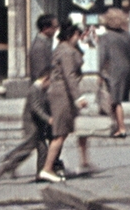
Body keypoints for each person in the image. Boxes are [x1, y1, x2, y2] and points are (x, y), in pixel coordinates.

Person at [39, 21, 93, 182]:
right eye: (77, 35)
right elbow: (69, 75)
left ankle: (81, 162)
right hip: (63, 95)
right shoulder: (67, 51)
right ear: (70, 35)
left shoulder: (63, 48)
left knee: (66, 131)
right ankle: (47, 169)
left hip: (61, 94)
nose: (79, 38)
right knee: (60, 133)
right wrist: (79, 97)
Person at [0, 71, 53, 181]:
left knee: (43, 149)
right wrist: (48, 119)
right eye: (50, 81)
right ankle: (7, 165)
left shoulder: (39, 89)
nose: (50, 85)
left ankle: (41, 174)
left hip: (36, 125)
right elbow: (36, 108)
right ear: (45, 79)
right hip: (31, 125)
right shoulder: (34, 90)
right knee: (27, 149)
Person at [97, 7, 130, 138]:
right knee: (116, 99)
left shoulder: (105, 37)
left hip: (112, 70)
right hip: (125, 69)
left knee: (115, 100)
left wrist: (99, 73)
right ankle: (116, 126)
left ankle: (121, 127)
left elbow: (103, 56)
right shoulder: (127, 35)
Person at [29, 14, 58, 81]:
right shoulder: (39, 46)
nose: (56, 30)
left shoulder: (46, 42)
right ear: (45, 28)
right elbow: (40, 74)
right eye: (54, 27)